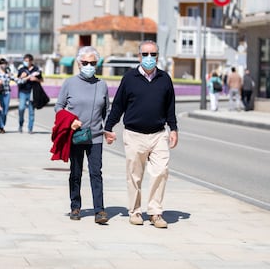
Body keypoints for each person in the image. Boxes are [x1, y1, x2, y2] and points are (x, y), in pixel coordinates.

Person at [104, 40, 178, 229]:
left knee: (161, 171)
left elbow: (170, 107)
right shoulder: (129, 78)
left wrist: (174, 129)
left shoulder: (165, 78)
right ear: (139, 56)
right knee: (134, 176)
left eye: (153, 54)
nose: (149, 58)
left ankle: (155, 212)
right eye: (145, 54)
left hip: (158, 134)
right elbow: (118, 105)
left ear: (158, 57)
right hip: (134, 134)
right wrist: (109, 127)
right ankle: (135, 211)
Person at [54, 46, 110, 225]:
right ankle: (75, 206)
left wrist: (107, 130)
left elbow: (106, 111)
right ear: (78, 63)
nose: (89, 66)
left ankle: (99, 210)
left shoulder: (102, 85)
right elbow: (58, 107)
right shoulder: (69, 83)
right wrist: (70, 122)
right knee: (76, 172)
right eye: (85, 63)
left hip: (95, 137)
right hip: (76, 136)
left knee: (96, 173)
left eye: (93, 63)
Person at [17, 54, 43, 133]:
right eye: (25, 61)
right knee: (21, 108)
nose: (26, 62)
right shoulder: (21, 69)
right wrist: (21, 76)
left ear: (31, 61)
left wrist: (36, 79)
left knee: (31, 111)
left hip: (32, 93)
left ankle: (30, 128)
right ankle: (21, 124)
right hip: (23, 92)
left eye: (27, 61)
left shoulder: (36, 69)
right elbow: (17, 80)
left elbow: (41, 80)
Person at [0, 58, 15, 133]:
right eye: (1, 64)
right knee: (0, 110)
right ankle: (1, 126)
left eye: (4, 63)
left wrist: (24, 78)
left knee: (5, 111)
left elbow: (17, 80)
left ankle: (2, 125)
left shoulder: (8, 74)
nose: (3, 65)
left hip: (7, 93)